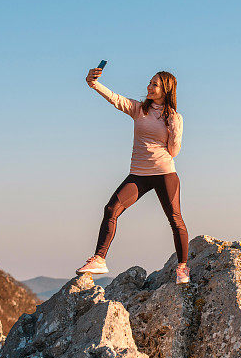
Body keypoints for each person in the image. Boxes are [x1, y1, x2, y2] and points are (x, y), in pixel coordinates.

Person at [76, 66, 190, 284]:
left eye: (154, 84)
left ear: (166, 89)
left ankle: (183, 268)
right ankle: (99, 258)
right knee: (111, 209)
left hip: (165, 172)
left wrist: (174, 129)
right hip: (138, 174)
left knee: (175, 219)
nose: (149, 86)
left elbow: (174, 151)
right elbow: (115, 98)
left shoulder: (174, 117)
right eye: (150, 82)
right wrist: (93, 83)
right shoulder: (139, 109)